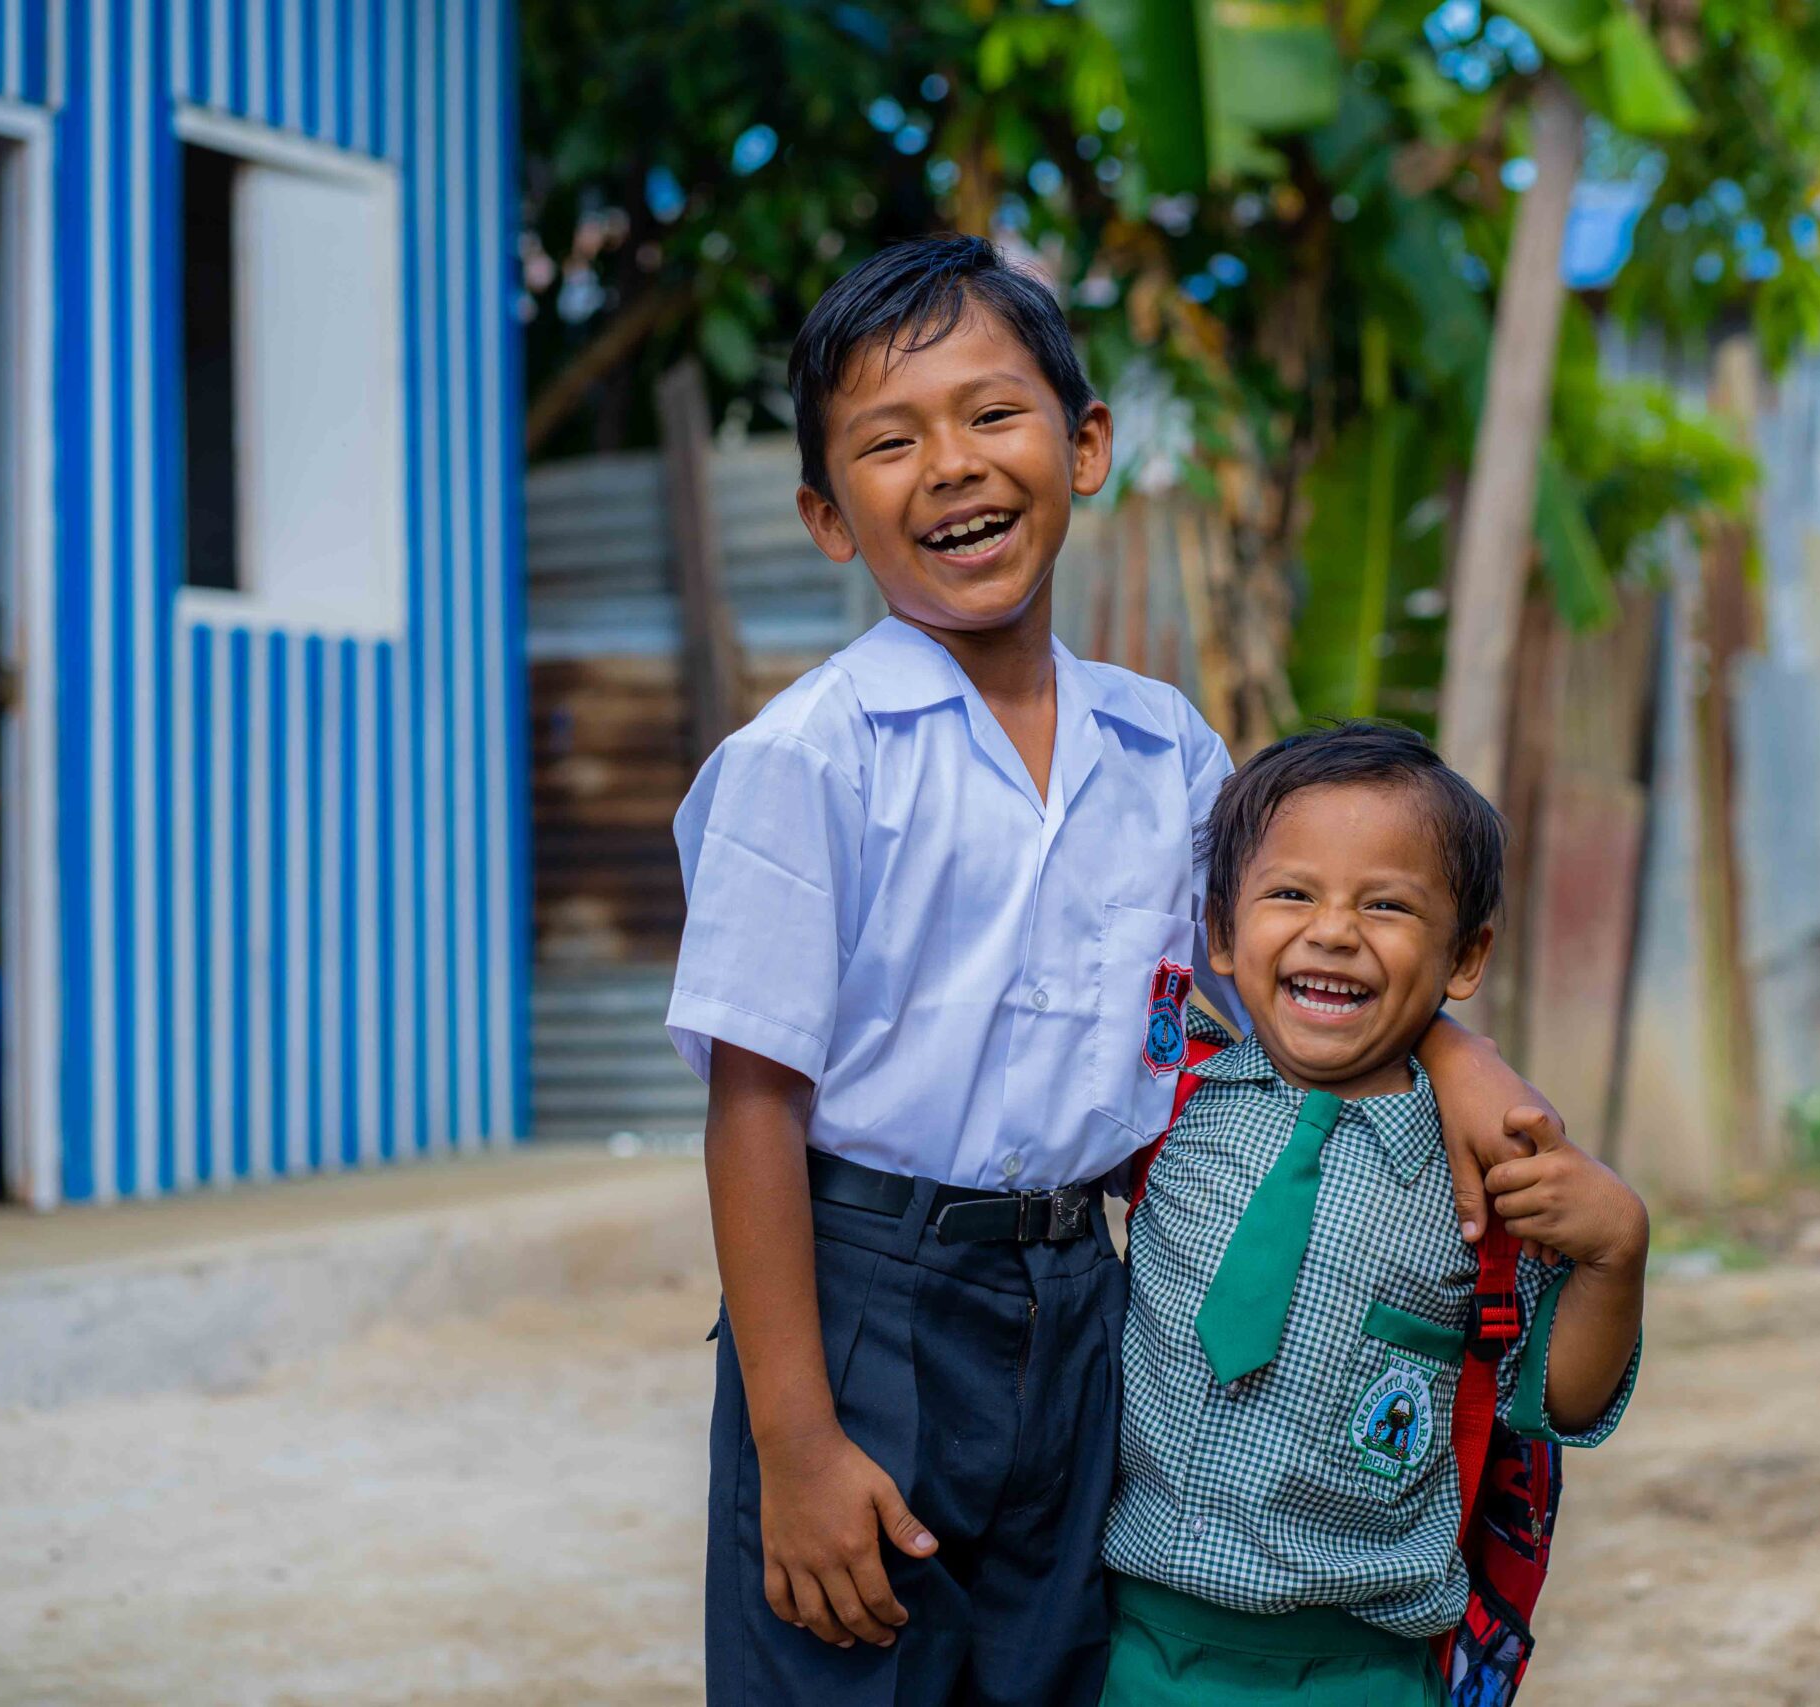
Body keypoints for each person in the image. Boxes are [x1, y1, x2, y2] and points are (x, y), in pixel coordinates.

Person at [668, 234, 1564, 1707]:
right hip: (863, 1296)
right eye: (891, 442)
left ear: (1084, 445)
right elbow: (753, 1106)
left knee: (1050, 1671)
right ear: (832, 514)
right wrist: (797, 1439)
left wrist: (1454, 1049)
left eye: (993, 414)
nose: (951, 465)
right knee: (843, 1661)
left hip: (1086, 1302)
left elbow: (1273, 973)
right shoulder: (808, 760)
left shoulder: (1165, 751)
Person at [1101, 721, 1650, 1706]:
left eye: (1387, 905)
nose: (1333, 930)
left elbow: (1558, 1402)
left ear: (1465, 956)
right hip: (1128, 1643)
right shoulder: (1163, 1098)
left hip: (1363, 1668)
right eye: (1290, 893)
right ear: (1221, 932)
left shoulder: (1486, 1179)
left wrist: (1616, 1256)